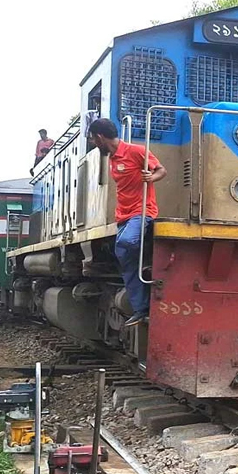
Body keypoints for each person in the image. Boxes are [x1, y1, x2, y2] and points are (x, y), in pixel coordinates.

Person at [87, 118, 168, 327]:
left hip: (142, 211)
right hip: (123, 216)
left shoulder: (136, 151)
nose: (94, 144)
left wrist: (151, 177)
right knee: (126, 261)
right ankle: (141, 309)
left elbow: (161, 170)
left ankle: (147, 259)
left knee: (125, 244)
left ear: (99, 137)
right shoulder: (112, 158)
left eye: (93, 140)